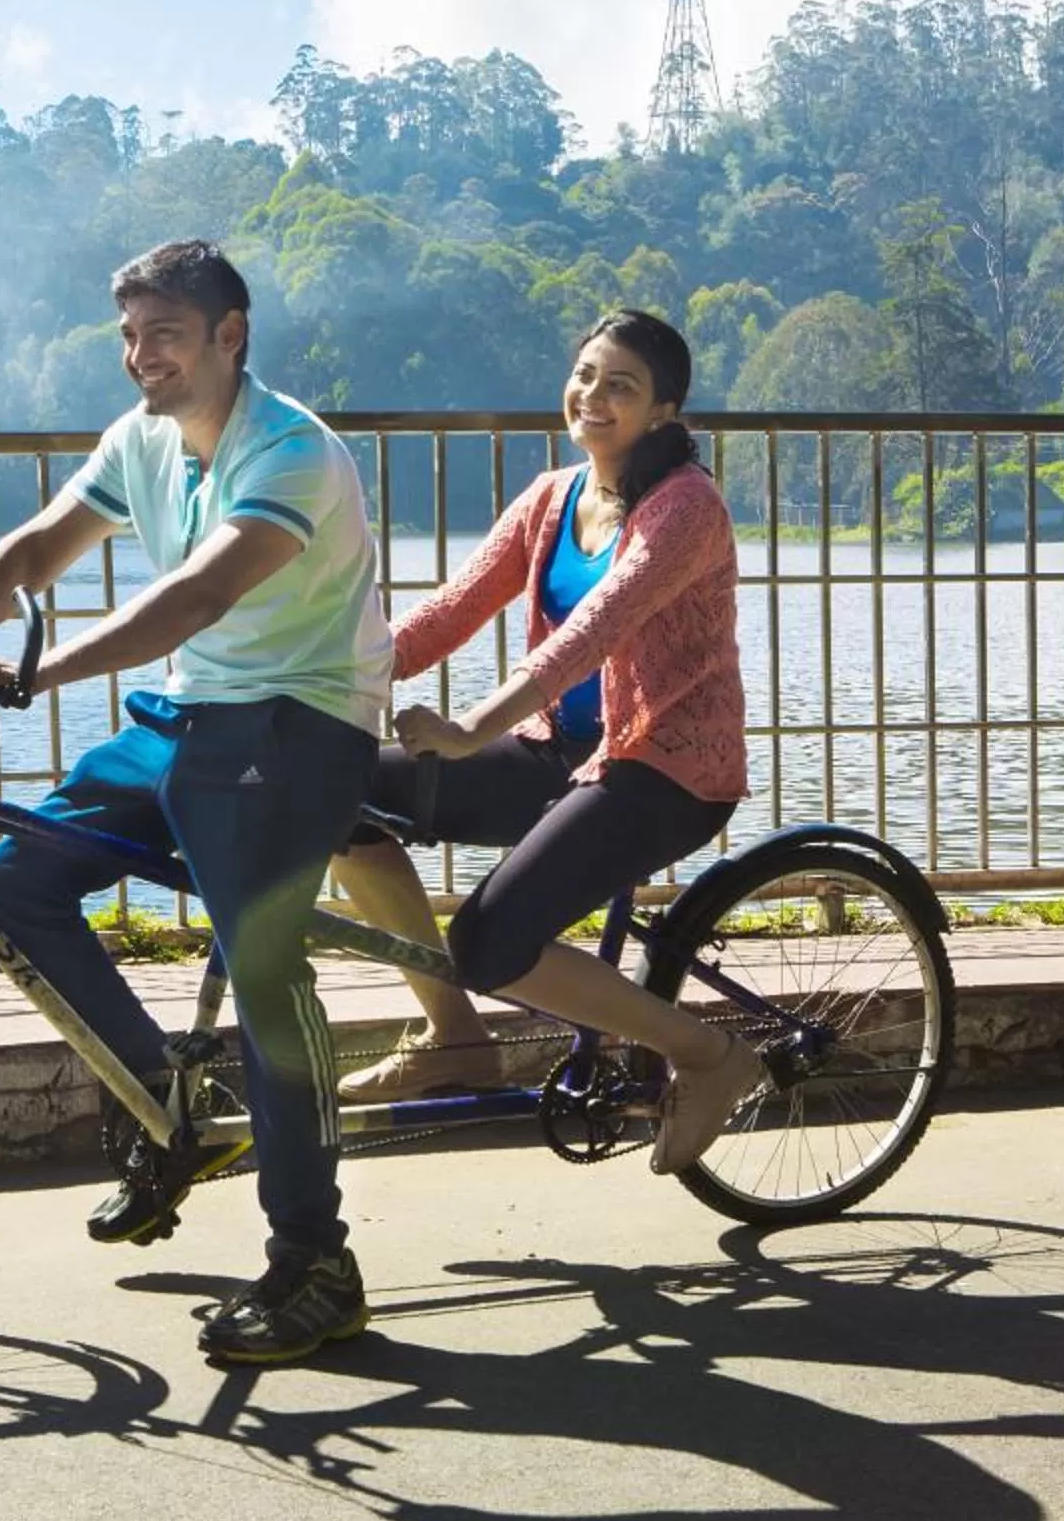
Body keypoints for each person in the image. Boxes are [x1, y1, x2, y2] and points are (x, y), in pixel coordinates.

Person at [0, 239, 392, 1365]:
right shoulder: (142, 440)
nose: (141, 358)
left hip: (300, 723)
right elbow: (40, 547)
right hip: (190, 718)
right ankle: (167, 1110)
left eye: (165, 335)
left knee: (269, 977)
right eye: (129, 336)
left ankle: (316, 1260)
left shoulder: (292, 451)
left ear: (230, 335)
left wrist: (36, 674)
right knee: (17, 880)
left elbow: (197, 594)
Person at [326, 310, 762, 1177]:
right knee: (335, 795)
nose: (593, 397)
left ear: (665, 412)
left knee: (490, 942)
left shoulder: (687, 509)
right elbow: (445, 613)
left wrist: (465, 730)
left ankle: (712, 1057)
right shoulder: (555, 497)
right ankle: (455, 1038)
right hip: (555, 756)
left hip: (662, 770)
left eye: (622, 387)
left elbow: (589, 637)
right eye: (586, 374)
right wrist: (317, 680)